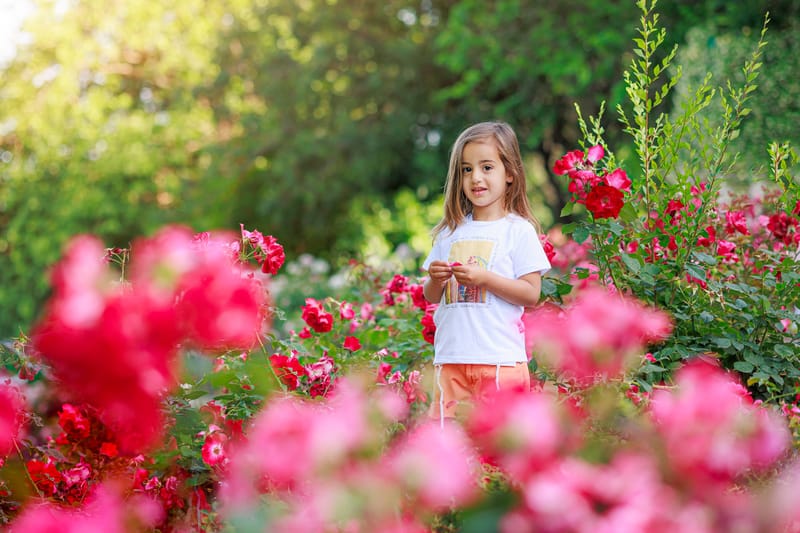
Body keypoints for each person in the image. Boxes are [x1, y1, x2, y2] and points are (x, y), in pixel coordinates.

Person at [422, 121, 551, 425]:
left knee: (501, 440)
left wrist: (485, 279)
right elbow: (431, 296)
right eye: (467, 169)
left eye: (487, 167)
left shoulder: (518, 231)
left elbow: (531, 293)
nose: (475, 178)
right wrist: (436, 279)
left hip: (499, 362)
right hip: (451, 359)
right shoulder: (450, 232)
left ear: (510, 173)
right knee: (449, 438)